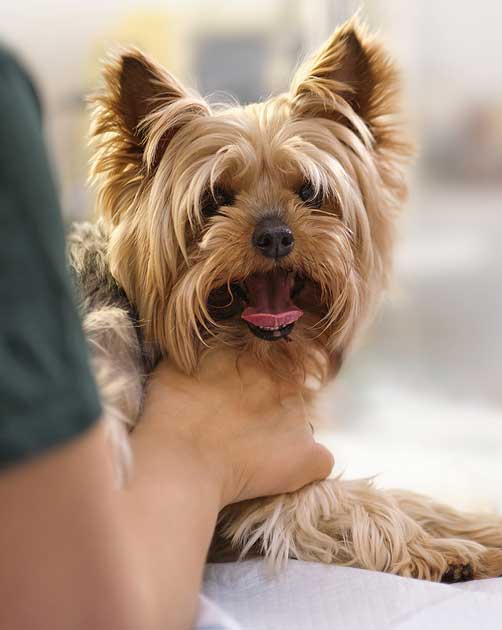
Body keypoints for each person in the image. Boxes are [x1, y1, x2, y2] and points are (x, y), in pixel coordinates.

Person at [0, 48, 333, 629]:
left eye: (308, 197)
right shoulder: (107, 342)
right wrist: (194, 444)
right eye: (214, 202)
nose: (275, 233)